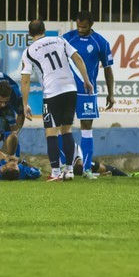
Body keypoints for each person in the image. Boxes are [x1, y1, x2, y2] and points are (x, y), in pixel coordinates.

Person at [19, 19, 94, 181]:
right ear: (44, 30)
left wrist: (25, 104)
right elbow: (77, 58)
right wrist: (86, 80)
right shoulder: (59, 40)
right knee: (66, 130)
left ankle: (55, 172)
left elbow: (25, 80)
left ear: (30, 33)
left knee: (51, 132)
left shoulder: (29, 51)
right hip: (70, 89)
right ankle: (69, 170)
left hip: (52, 92)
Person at [62, 10, 115, 178]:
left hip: (87, 92)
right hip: (66, 90)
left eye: (83, 27)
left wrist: (111, 93)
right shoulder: (66, 39)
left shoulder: (100, 43)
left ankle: (86, 169)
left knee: (86, 128)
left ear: (91, 25)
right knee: (63, 127)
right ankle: (65, 167)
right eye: (78, 26)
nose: (80, 29)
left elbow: (108, 69)